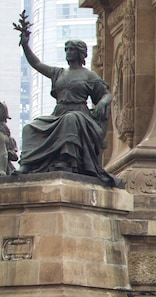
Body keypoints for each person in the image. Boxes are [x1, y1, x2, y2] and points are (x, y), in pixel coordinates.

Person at [14, 13, 122, 187]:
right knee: (30, 127)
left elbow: (106, 94)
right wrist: (26, 45)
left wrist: (102, 102)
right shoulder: (59, 73)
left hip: (80, 115)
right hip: (58, 114)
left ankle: (67, 160)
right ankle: (27, 164)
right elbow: (37, 64)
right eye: (66, 49)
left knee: (70, 119)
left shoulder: (89, 76)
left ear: (79, 53)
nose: (67, 52)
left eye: (71, 49)